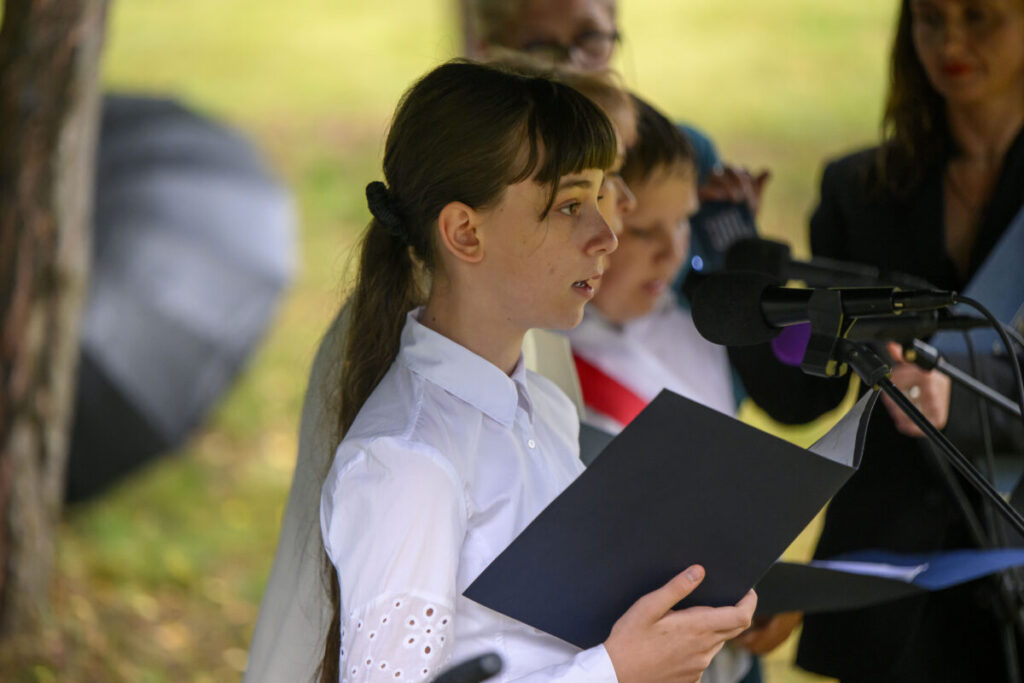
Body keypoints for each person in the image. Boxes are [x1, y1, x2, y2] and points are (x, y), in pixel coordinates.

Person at [318, 60, 757, 683]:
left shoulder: (543, 407)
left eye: (600, 197)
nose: (606, 234)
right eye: (570, 204)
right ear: (465, 233)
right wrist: (615, 671)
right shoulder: (409, 460)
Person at [736, 0, 1024, 680]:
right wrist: (747, 273)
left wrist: (965, 399)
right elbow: (802, 394)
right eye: (929, 17)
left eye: (980, 16)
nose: (950, 38)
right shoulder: (858, 189)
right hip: (887, 585)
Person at [465, 0, 770, 270]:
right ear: (490, 54)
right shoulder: (482, 170)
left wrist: (723, 241)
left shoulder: (686, 154)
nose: (574, 63)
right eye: (540, 46)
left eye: (590, 37)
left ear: (614, 28)